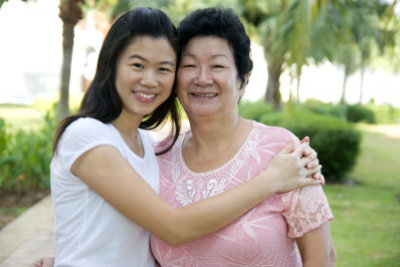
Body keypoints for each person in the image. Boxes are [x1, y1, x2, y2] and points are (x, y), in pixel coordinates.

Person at [32, 6, 324, 267]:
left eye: (163, 68)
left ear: (243, 80)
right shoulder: (89, 136)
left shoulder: (150, 147)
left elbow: (130, 240)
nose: (149, 79)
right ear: (111, 64)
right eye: (137, 65)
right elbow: (172, 228)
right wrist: (270, 181)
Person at [150, 7, 336, 267]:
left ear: (243, 81)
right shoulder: (157, 159)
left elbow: (322, 258)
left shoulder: (283, 151)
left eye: (217, 65)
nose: (202, 78)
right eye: (189, 65)